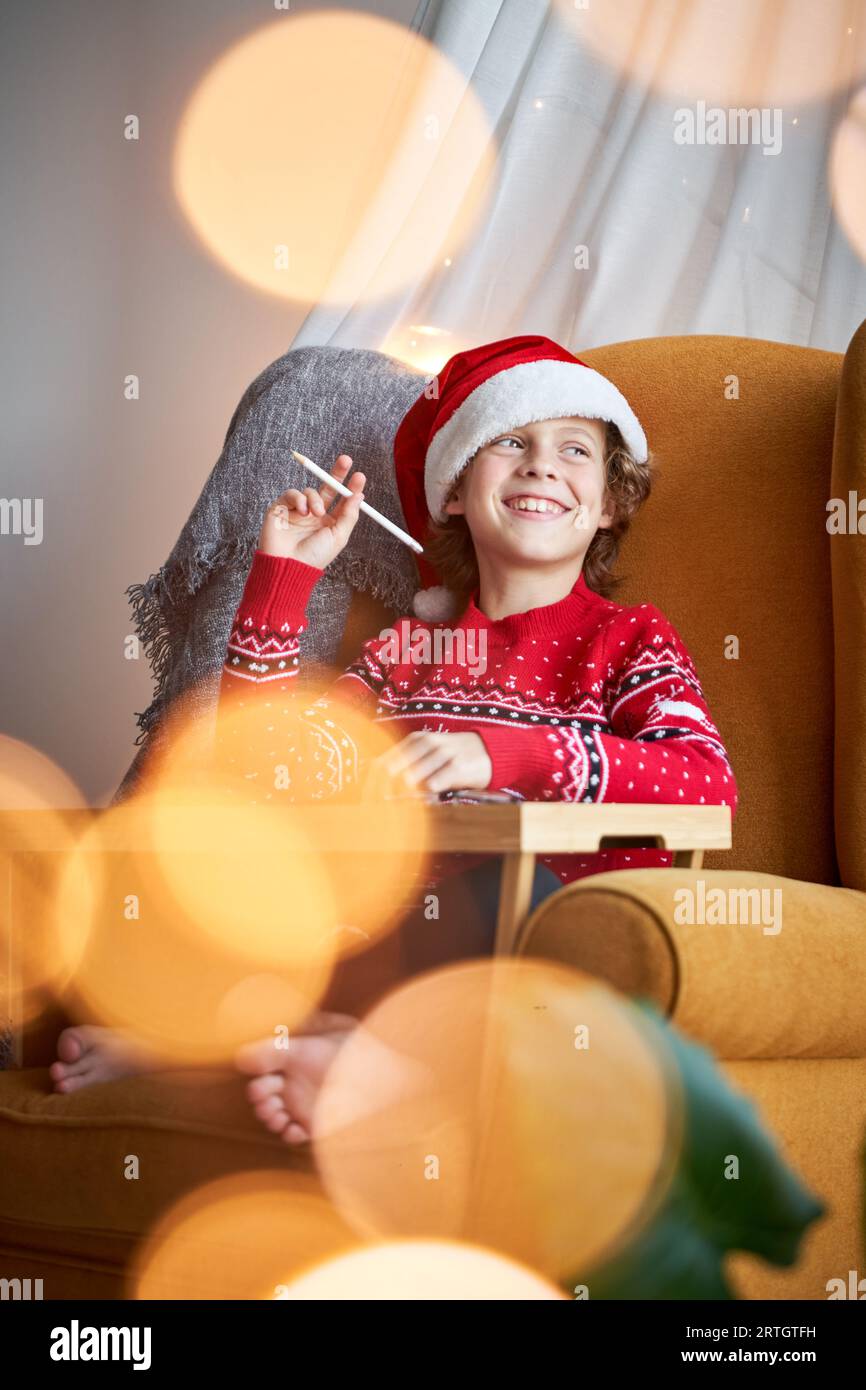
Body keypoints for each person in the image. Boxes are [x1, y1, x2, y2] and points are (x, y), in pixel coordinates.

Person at [50, 336, 738, 1136]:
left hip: (547, 955)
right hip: (392, 942)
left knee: (494, 894)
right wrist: (283, 583)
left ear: (612, 503)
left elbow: (706, 781)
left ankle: (303, 1044)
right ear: (453, 492)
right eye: (509, 441)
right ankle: (311, 1037)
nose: (541, 465)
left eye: (574, 449)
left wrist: (506, 754)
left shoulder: (630, 641)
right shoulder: (405, 654)